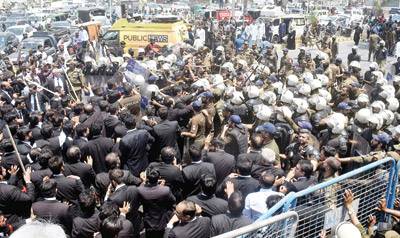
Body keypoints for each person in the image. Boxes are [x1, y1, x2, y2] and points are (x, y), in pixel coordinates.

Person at [138, 167, 176, 238]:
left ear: (147, 178)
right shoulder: (165, 190)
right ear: (158, 178)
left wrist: (143, 182)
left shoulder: (140, 190)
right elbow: (173, 201)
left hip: (148, 220)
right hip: (162, 219)